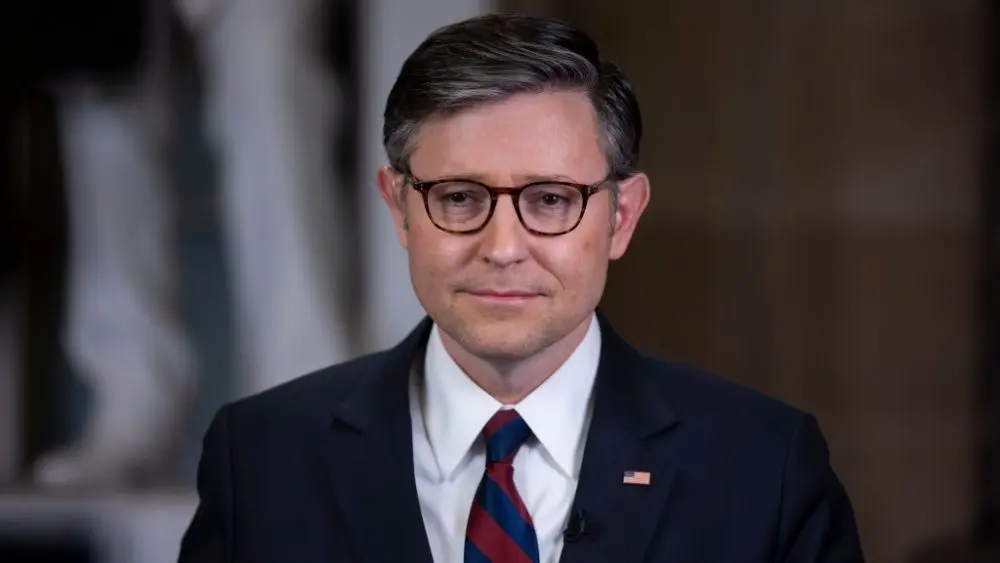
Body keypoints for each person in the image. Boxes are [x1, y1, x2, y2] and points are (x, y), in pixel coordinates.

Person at [178, 13, 865, 563]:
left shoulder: (763, 468)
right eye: (458, 197)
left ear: (622, 217)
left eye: (550, 200)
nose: (503, 248)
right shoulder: (261, 460)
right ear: (399, 209)